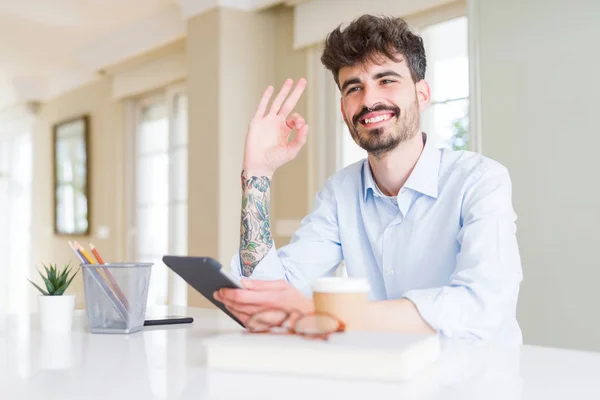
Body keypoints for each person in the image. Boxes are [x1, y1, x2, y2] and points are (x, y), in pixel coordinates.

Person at [214, 14, 523, 343]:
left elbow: (482, 306)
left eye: (386, 80)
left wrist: (319, 313)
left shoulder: (479, 180)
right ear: (344, 109)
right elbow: (271, 292)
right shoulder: (340, 193)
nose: (369, 99)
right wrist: (257, 175)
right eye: (354, 88)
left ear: (422, 94)